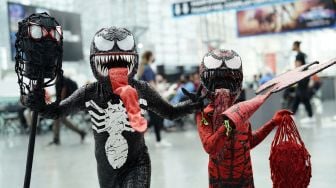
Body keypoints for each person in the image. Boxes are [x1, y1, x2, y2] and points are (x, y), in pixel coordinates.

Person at [26, 27, 203, 188]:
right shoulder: (90, 92)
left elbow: (170, 112)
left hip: (137, 163)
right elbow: (57, 112)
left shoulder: (141, 89)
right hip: (106, 168)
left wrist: (191, 105)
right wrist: (39, 104)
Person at [189, 49, 289, 187]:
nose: (223, 89)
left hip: (246, 180)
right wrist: (230, 122)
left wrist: (273, 123)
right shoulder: (204, 115)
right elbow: (210, 147)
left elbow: (248, 142)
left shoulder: (240, 110)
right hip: (219, 181)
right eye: (218, 82)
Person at [138, 51, 171, 147]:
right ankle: (157, 140)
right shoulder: (147, 68)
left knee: (155, 117)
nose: (154, 57)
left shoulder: (144, 68)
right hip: (151, 96)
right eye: (153, 55)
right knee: (158, 117)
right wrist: (160, 95)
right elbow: (151, 84)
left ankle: (156, 139)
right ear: (149, 56)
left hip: (146, 96)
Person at [49, 76, 86, 145]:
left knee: (57, 117)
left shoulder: (61, 79)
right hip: (68, 103)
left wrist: (60, 103)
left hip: (65, 103)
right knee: (61, 119)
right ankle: (81, 132)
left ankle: (56, 139)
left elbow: (63, 91)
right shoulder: (62, 79)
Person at [291, 41, 314, 123]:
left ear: (296, 46)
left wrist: (293, 75)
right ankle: (292, 114)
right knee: (297, 97)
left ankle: (311, 116)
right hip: (304, 77)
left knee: (304, 97)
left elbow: (298, 67)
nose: (292, 47)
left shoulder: (299, 55)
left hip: (302, 78)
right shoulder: (302, 54)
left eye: (293, 45)